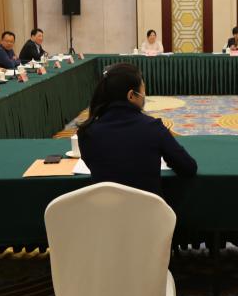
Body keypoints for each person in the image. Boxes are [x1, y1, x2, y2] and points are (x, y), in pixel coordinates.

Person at [77, 63, 198, 196]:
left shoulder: (86, 132)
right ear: (131, 95)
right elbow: (188, 168)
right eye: (143, 90)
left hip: (106, 209)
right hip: (149, 209)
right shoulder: (153, 128)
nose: (144, 95)